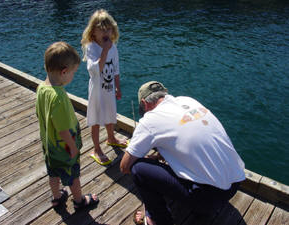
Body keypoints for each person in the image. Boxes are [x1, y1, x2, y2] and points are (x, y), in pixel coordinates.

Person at [120, 81, 246, 225]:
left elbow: (124, 167)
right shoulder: (188, 100)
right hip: (235, 183)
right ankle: (202, 207)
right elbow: (186, 139)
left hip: (209, 198)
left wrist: (149, 159)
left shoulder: (150, 120)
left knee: (138, 169)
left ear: (144, 103)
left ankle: (158, 220)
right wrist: (160, 155)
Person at [36, 41, 99, 211]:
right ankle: (79, 201)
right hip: (64, 148)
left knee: (53, 173)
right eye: (73, 72)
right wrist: (72, 146)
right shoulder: (59, 97)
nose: (73, 75)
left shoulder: (42, 89)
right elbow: (63, 130)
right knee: (73, 176)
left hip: (50, 146)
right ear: (64, 72)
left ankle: (57, 197)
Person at [81, 9, 128, 166]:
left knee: (110, 114)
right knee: (95, 119)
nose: (105, 32)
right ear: (93, 32)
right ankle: (96, 149)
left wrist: (118, 87)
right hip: (96, 91)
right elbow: (95, 70)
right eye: (101, 29)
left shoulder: (113, 47)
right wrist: (105, 50)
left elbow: (116, 68)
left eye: (108, 29)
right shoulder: (92, 48)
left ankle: (111, 138)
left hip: (108, 88)